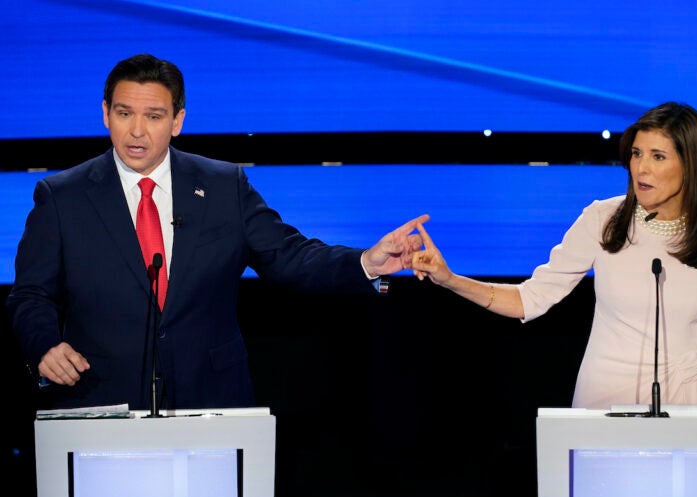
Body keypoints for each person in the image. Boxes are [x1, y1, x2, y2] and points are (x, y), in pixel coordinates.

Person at [6, 53, 429, 412]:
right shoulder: (62, 197)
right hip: (101, 399)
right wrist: (44, 345)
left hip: (210, 400)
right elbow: (31, 293)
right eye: (124, 113)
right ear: (105, 114)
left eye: (153, 116)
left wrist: (365, 262)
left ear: (177, 121)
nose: (137, 130)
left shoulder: (224, 186)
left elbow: (289, 256)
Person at [410, 101, 697, 417]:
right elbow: (529, 298)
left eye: (657, 156)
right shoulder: (603, 220)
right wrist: (450, 279)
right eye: (636, 153)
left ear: (691, 165)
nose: (640, 168)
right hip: (606, 400)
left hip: (688, 400)